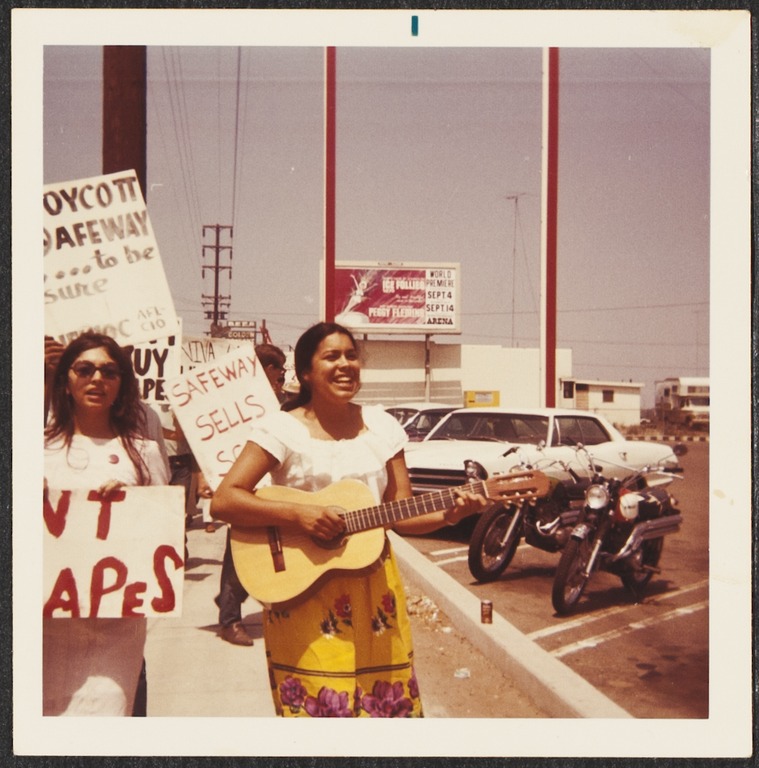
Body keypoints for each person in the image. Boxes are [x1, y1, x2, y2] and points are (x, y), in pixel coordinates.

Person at [211, 322, 488, 717]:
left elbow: (400, 513)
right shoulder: (282, 428)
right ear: (305, 372)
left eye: (351, 355)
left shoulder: (382, 427)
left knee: (384, 712)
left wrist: (450, 514)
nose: (345, 364)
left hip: (375, 591)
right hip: (302, 593)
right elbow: (224, 500)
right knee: (320, 715)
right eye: (331, 356)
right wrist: (301, 514)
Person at [43, 332, 170, 716]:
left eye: (109, 372)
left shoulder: (144, 454)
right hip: (45, 625)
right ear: (65, 380)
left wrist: (133, 505)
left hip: (114, 631)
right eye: (85, 369)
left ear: (122, 385)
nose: (97, 378)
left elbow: (163, 535)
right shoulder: (33, 448)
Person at [215, 342, 288, 646]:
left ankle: (228, 600)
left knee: (259, 552)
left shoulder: (278, 405)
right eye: (279, 371)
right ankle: (230, 620)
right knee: (239, 554)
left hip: (268, 490)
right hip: (242, 492)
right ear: (268, 370)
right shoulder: (239, 403)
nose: (283, 377)